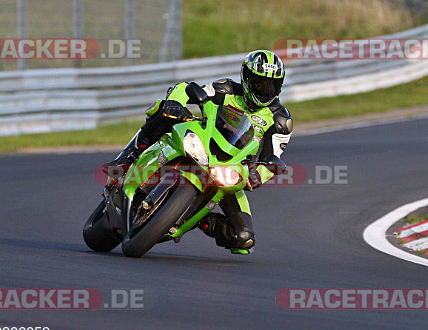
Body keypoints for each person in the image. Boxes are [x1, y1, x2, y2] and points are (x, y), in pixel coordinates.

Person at [107, 50, 292, 254]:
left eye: (271, 85)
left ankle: (196, 218)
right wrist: (175, 103)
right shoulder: (227, 88)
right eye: (259, 83)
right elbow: (187, 89)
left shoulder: (281, 121)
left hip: (232, 170)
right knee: (165, 111)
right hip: (203, 143)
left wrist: (256, 177)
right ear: (247, 79)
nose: (265, 90)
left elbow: (273, 159)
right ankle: (128, 157)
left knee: (243, 239)